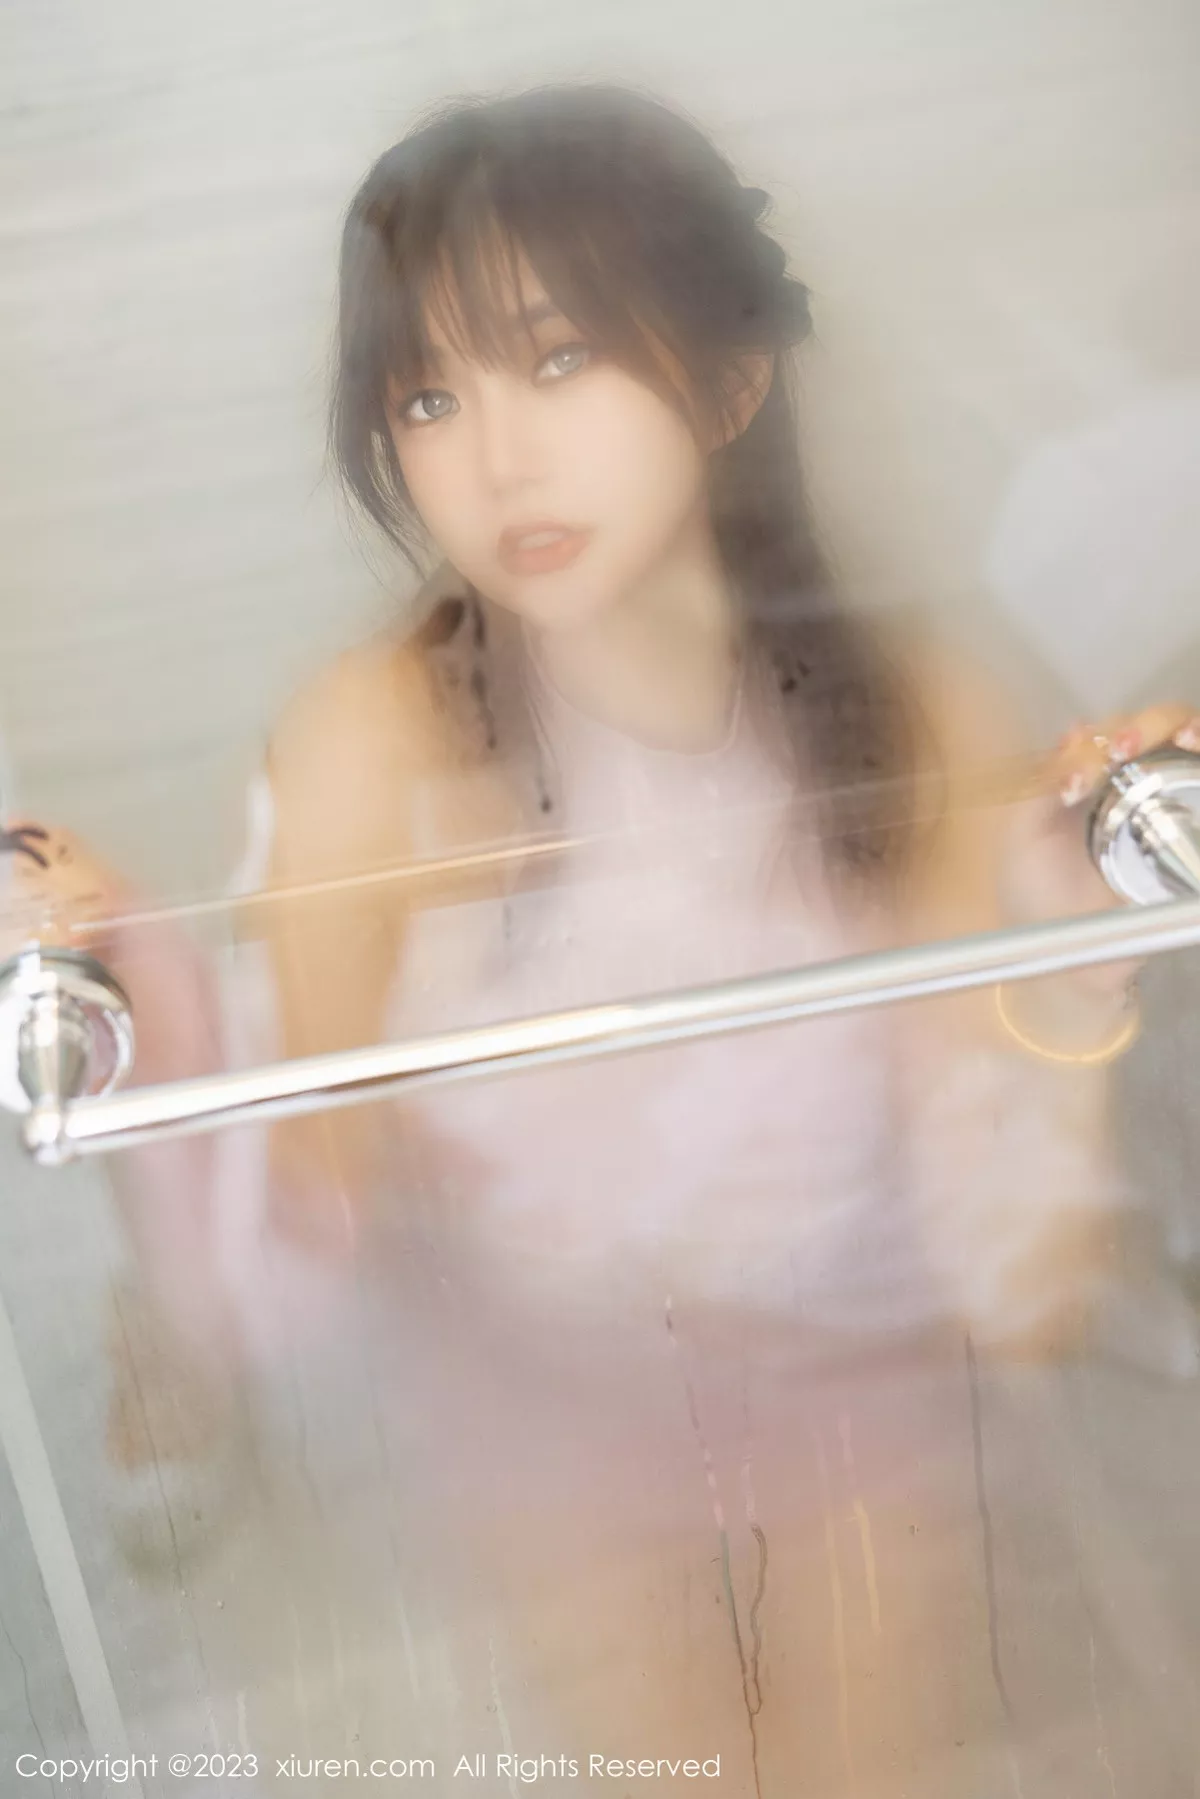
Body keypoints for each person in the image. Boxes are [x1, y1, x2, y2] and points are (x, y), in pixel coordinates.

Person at [4, 83, 1200, 1783]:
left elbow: (1021, 1291)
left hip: (859, 1369)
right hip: (543, 1391)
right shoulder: (378, 747)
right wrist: (142, 984)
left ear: (727, 377)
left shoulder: (914, 720)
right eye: (429, 395)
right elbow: (298, 1253)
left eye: (559, 358)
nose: (496, 461)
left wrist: (1073, 951)